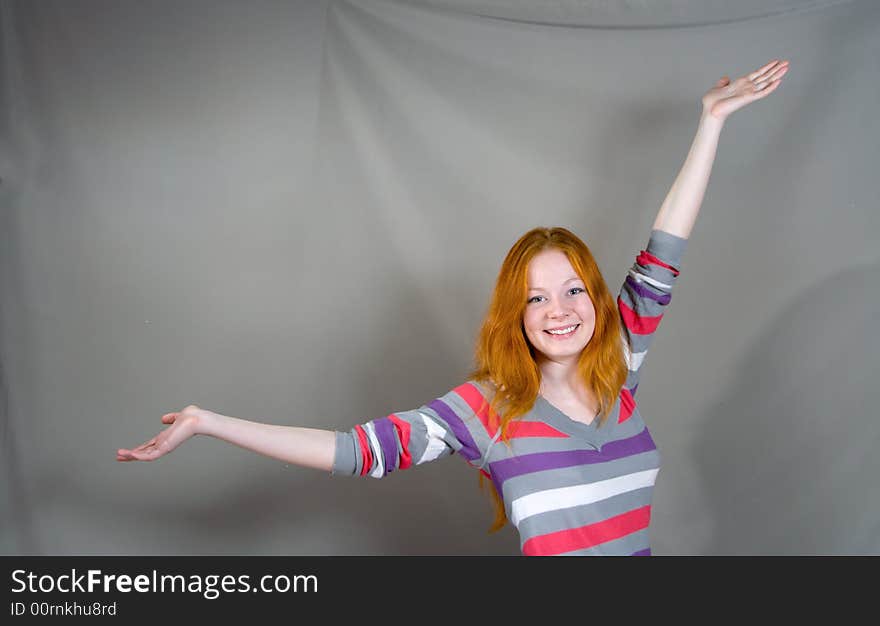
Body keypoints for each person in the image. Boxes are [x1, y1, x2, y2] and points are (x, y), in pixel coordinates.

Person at [117, 59, 790, 555]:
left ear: (595, 301)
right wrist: (209, 422)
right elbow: (354, 451)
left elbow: (666, 246)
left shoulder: (621, 362)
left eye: (573, 290)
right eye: (536, 298)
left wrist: (710, 122)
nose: (559, 310)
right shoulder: (487, 409)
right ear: (517, 317)